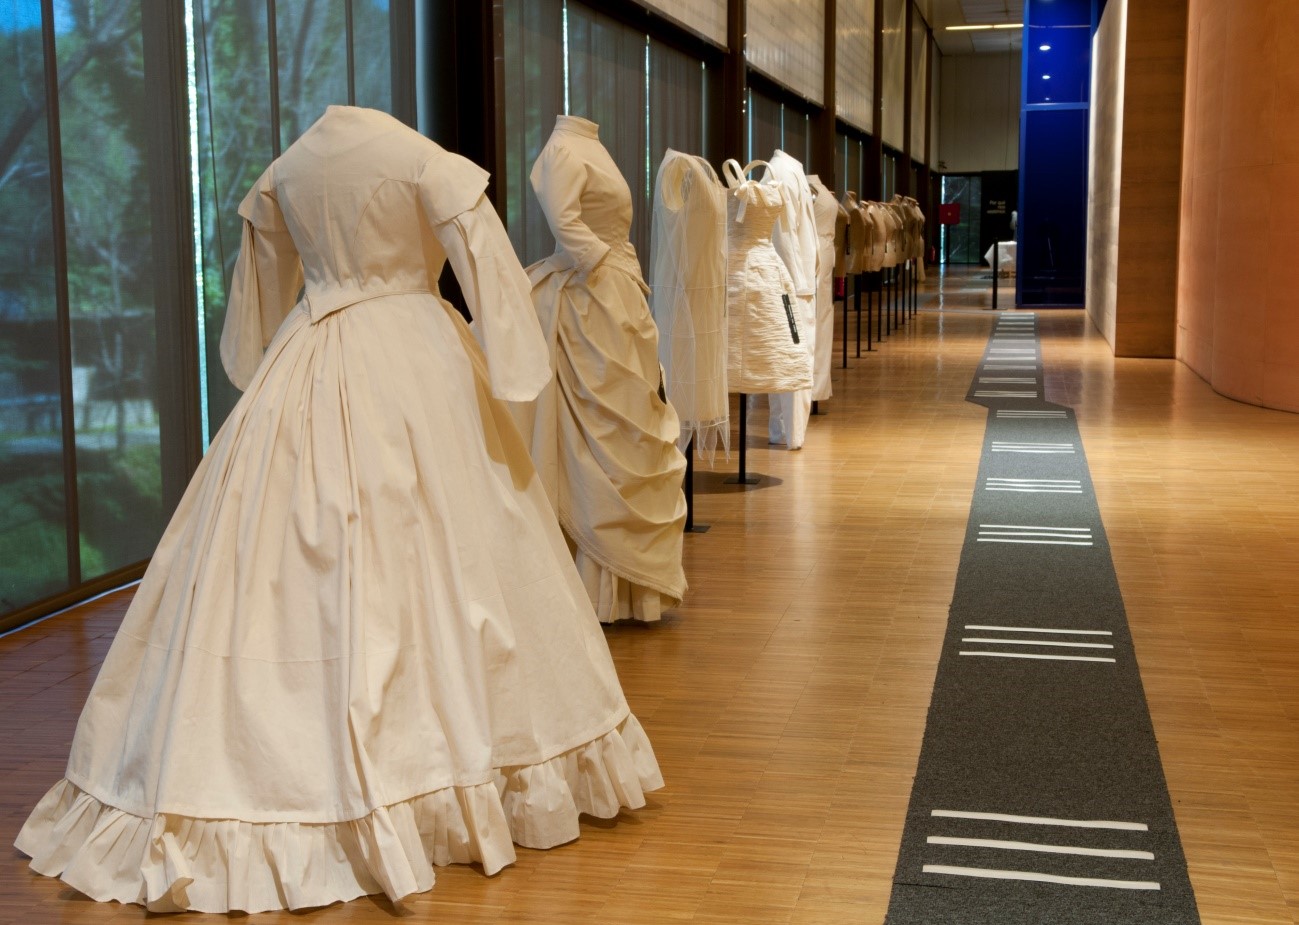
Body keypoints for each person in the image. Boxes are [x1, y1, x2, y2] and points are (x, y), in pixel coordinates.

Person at [15, 105, 662, 914]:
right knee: (449, 560)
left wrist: (264, 358)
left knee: (283, 568)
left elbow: (254, 303)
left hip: (308, 354)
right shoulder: (420, 159)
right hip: (417, 357)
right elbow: (487, 263)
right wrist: (513, 369)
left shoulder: (286, 168)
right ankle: (448, 773)